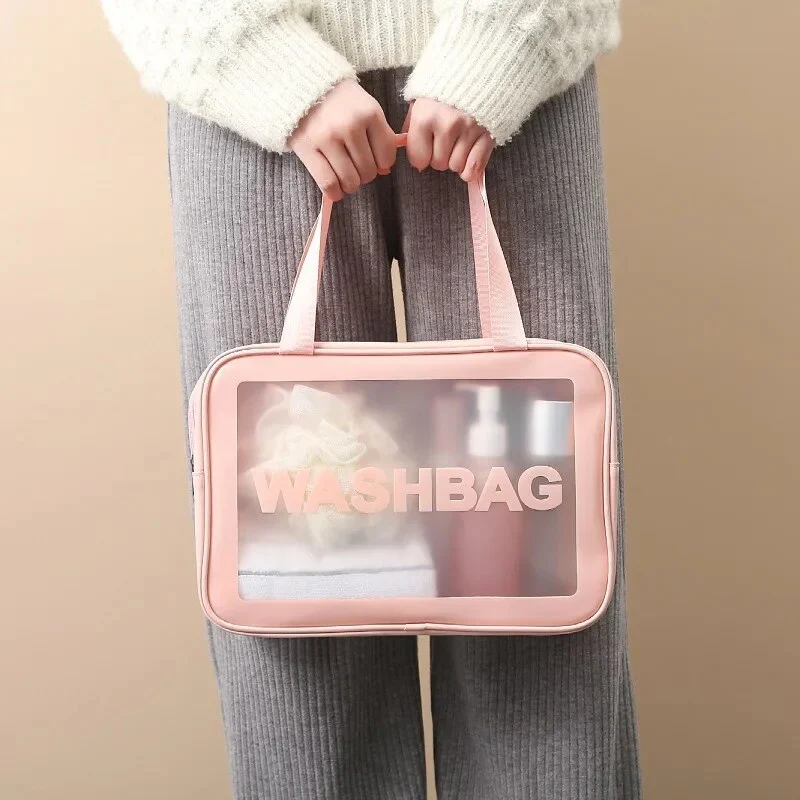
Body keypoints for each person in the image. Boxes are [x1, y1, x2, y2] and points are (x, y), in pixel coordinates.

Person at [102, 2, 641, 798]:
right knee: (294, 584)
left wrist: (502, 43)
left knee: (534, 576)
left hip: (514, 80)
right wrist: (262, 62)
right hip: (248, 100)